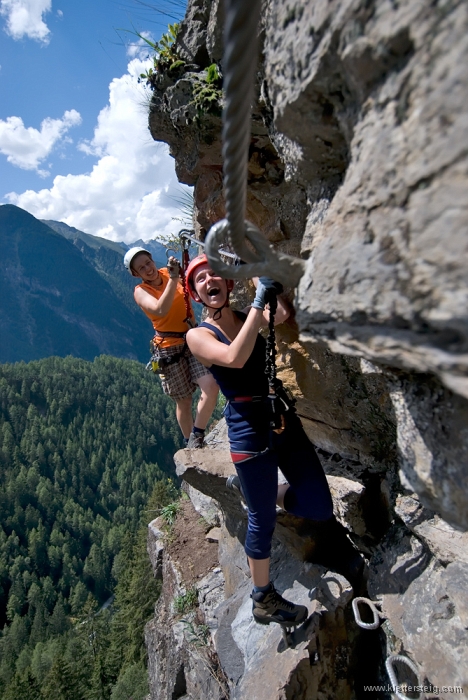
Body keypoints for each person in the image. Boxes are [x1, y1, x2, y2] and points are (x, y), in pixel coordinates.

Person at [185, 254, 362, 628]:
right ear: (195, 293)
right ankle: (262, 597)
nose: (208, 280)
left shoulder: (242, 314)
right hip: (249, 430)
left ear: (227, 282)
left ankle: (266, 491)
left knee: (318, 506)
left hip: (281, 419)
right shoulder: (198, 336)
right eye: (199, 279)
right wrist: (257, 299)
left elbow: (278, 315)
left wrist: (258, 279)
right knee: (261, 519)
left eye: (215, 274)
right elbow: (234, 357)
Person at [124, 247, 219, 448]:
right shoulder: (141, 291)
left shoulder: (170, 274)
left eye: (148, 263)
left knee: (210, 386)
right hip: (169, 348)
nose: (148, 269)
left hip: (192, 337)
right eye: (141, 268)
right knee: (183, 400)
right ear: (136, 274)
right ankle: (190, 441)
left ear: (152, 259)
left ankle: (197, 435)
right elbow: (160, 309)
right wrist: (175, 278)